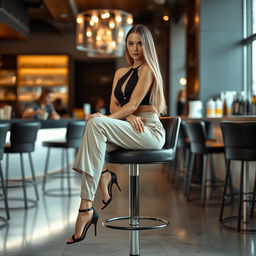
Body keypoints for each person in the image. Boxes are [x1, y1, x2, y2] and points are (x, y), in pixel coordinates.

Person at [66, 24, 167, 244]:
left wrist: (123, 114)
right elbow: (115, 107)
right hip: (129, 127)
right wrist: (125, 117)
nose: (135, 48)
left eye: (140, 43)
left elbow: (131, 105)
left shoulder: (148, 70)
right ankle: (100, 179)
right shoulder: (120, 72)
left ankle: (87, 206)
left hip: (148, 130)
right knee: (96, 133)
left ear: (147, 45)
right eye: (130, 43)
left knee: (95, 123)